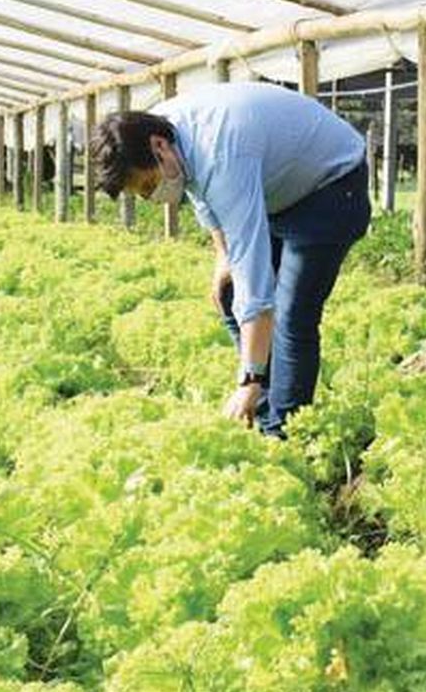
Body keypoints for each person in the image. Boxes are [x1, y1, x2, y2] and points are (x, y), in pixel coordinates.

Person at [90, 81, 370, 437]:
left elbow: (256, 285)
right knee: (227, 291)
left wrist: (249, 378)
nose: (151, 196)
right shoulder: (163, 130)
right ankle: (263, 395)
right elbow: (198, 188)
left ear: (158, 148)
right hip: (282, 189)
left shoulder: (221, 154)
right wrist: (223, 255)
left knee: (291, 314)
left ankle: (283, 433)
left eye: (147, 185)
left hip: (333, 185)